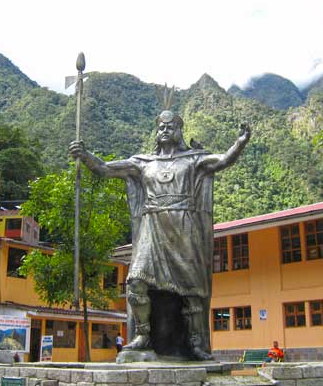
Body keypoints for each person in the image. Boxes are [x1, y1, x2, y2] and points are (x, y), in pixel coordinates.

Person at [70, 109, 250, 360]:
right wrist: (85, 155)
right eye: (161, 127)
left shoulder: (193, 159)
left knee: (192, 289)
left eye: (170, 127)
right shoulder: (142, 162)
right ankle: (143, 335)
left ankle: (195, 343)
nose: (165, 131)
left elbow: (221, 161)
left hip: (184, 226)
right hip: (152, 227)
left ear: (179, 131)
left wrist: (239, 143)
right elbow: (104, 168)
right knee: (135, 282)